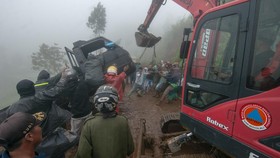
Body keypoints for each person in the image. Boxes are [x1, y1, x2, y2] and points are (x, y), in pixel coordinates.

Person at [75, 85, 134, 158]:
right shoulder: (123, 121)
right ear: (115, 102)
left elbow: (82, 154)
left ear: (96, 103)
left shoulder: (89, 124)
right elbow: (130, 149)